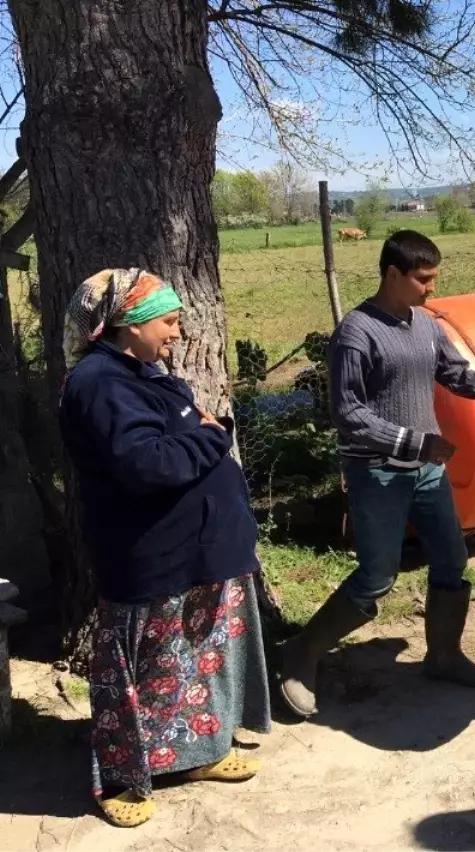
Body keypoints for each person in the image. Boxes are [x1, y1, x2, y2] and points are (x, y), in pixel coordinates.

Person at [279, 230, 475, 717]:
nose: (431, 289)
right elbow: (349, 414)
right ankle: (300, 655)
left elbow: (460, 376)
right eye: (423, 280)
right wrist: (416, 441)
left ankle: (444, 657)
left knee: (451, 560)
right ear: (392, 274)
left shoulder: (425, 324)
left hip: (424, 472)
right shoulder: (356, 333)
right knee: (377, 576)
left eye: (434, 279)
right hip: (378, 472)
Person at [59, 268, 271, 829]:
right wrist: (211, 433)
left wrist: (200, 434)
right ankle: (124, 777)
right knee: (141, 673)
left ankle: (196, 755)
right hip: (150, 556)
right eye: (169, 321)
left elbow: (173, 446)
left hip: (197, 551)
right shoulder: (100, 384)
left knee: (195, 665)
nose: (178, 333)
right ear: (127, 322)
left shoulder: (144, 373)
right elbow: (148, 464)